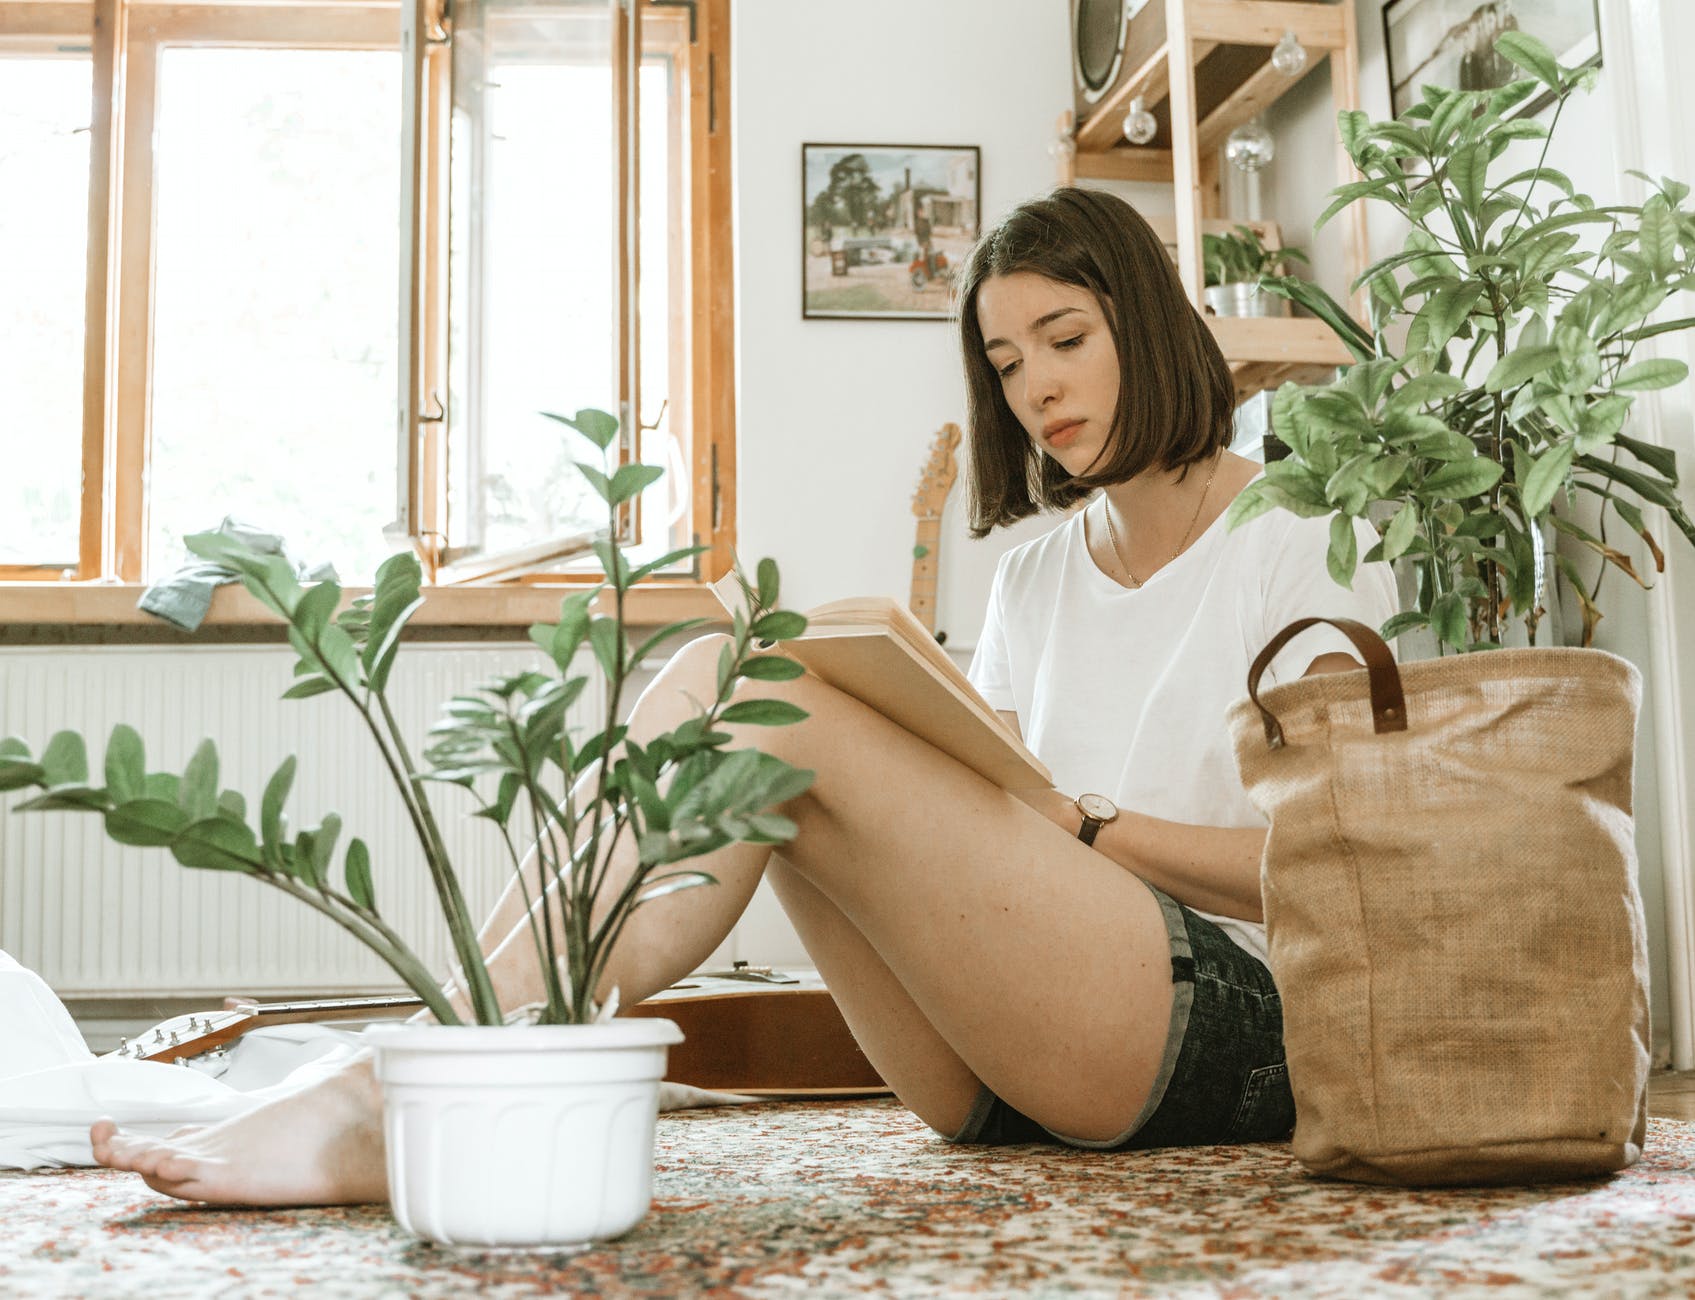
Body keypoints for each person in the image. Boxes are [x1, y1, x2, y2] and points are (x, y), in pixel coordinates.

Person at [90, 186, 1397, 1204]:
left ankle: (420, 1084)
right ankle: (447, 1061)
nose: (1037, 386)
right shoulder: (1038, 578)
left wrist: (1092, 831)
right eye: (1004, 364)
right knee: (733, 685)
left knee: (746, 680)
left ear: (1152, 323)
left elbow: (1350, 870)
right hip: (1008, 1057)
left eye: (1064, 337)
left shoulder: (1297, 533)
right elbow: (1003, 820)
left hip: (1231, 1020)